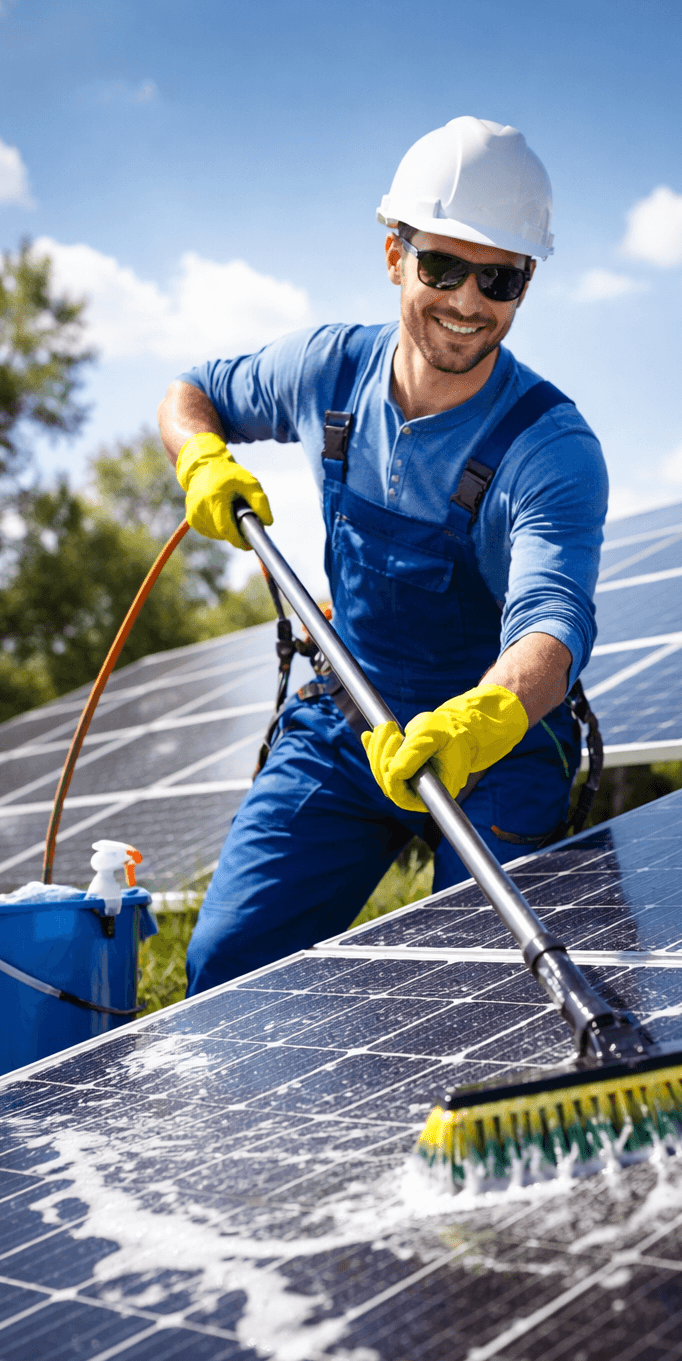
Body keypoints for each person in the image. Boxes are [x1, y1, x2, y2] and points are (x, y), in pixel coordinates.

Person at [158, 116, 608, 994]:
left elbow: (553, 626)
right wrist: (199, 455)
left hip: (498, 745)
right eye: (443, 266)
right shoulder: (326, 372)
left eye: (500, 278)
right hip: (347, 714)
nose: (469, 302)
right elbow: (193, 392)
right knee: (226, 968)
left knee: (483, 996)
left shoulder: (550, 448)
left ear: (527, 282)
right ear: (395, 253)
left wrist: (481, 719)